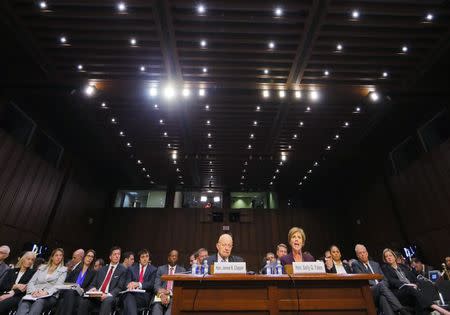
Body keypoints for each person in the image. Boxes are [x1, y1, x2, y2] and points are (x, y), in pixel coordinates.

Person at [381, 248, 450, 315]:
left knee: (424, 284)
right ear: (385, 259)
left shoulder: (402, 266)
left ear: (394, 256)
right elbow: (392, 281)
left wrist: (416, 284)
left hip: (412, 288)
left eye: (390, 255)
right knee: (411, 289)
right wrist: (408, 285)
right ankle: (437, 308)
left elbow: (413, 278)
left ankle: (432, 308)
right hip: (400, 291)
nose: (389, 257)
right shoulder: (385, 268)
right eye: (386, 256)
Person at [352, 244, 410, 315]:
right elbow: (362, 279)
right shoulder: (356, 264)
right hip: (369, 291)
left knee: (383, 298)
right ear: (357, 255)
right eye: (360, 253)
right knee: (381, 286)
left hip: (381, 290)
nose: (362, 254)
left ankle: (399, 311)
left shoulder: (375, 264)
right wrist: (379, 285)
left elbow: (385, 280)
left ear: (367, 253)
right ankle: (401, 309)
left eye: (364, 252)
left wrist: (381, 286)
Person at [16, 248, 67, 315]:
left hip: (49, 296)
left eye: (61, 255)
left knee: (39, 302)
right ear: (52, 257)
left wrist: (45, 292)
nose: (59, 257)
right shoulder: (42, 267)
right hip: (34, 293)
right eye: (56, 255)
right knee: (24, 302)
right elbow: (31, 282)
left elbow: (58, 286)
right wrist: (34, 291)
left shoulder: (63, 270)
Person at [77, 246, 127, 315]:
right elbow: (93, 284)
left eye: (118, 254)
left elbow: (119, 287)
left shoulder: (123, 270)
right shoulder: (102, 269)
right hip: (97, 296)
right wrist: (92, 288)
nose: (117, 256)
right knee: (84, 301)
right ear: (110, 257)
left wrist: (108, 295)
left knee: (107, 300)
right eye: (115, 254)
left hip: (110, 297)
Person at [56, 249, 96, 315]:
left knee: (71, 296)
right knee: (70, 292)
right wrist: (71, 286)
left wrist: (84, 289)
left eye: (92, 257)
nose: (89, 258)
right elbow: (66, 282)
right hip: (70, 292)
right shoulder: (76, 269)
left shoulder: (93, 272)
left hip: (80, 294)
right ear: (84, 257)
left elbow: (91, 286)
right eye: (88, 256)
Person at [121, 249, 157, 315]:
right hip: (132, 294)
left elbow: (151, 284)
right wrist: (129, 285)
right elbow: (126, 282)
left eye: (147, 256)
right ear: (139, 259)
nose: (145, 259)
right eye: (142, 257)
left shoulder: (153, 270)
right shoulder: (131, 269)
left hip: (144, 297)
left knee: (128, 299)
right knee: (128, 296)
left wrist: (138, 284)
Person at [152, 250, 186, 315]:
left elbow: (182, 288)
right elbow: (156, 285)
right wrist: (162, 295)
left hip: (174, 297)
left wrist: (169, 292)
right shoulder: (161, 269)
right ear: (168, 258)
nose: (174, 257)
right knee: (156, 308)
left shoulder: (182, 270)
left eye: (176, 256)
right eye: (172, 256)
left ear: (178, 258)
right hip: (160, 296)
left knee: (171, 310)